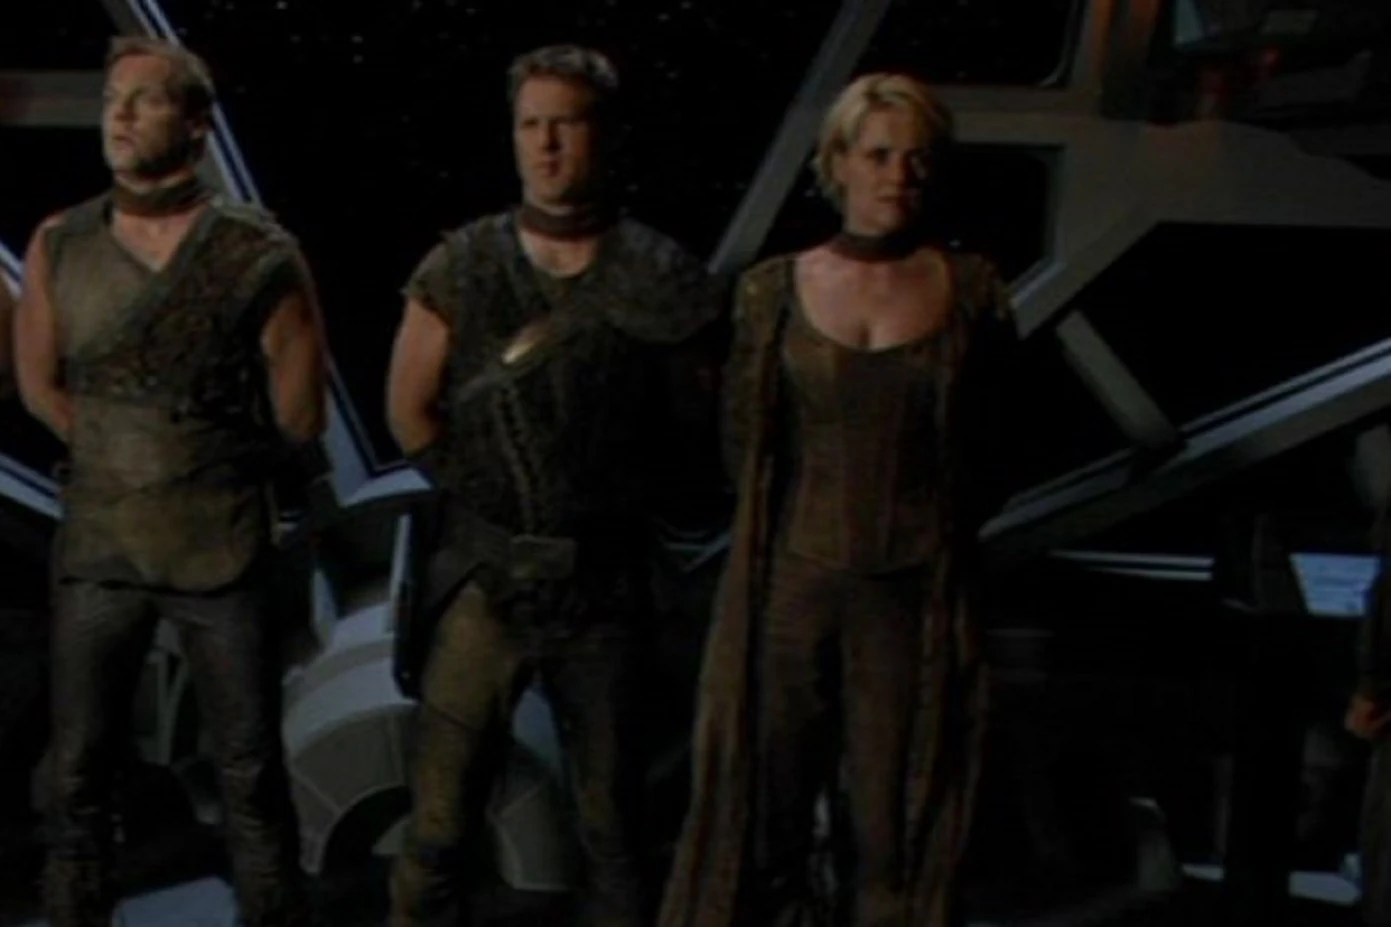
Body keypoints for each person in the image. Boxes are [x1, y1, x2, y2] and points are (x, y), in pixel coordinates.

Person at [659, 72, 1023, 927]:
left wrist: (937, 530)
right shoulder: (773, 290)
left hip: (912, 595)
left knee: (896, 826)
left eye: (915, 157)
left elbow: (1001, 442)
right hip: (792, 586)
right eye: (879, 154)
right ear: (839, 161)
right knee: (765, 807)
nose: (898, 174)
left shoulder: (969, 289)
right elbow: (743, 445)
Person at [384, 43, 722, 927]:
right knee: (437, 825)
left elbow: (699, 429)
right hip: (483, 583)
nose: (545, 144)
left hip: (606, 593)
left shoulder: (659, 275)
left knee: (614, 828)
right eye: (530, 124)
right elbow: (408, 410)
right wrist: (491, 497)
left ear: (602, 133)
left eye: (565, 123)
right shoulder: (462, 266)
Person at [13, 36, 327, 927]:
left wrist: (194, 455)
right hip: (102, 548)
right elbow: (39, 383)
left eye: (144, 99)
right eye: (111, 97)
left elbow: (300, 413)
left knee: (249, 772)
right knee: (77, 771)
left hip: (218, 550)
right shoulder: (62, 243)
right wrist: (121, 452)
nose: (117, 115)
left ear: (193, 125)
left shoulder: (253, 254)